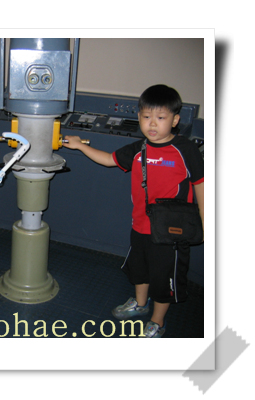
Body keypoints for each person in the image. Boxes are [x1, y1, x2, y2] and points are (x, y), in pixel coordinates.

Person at [63, 84, 204, 338]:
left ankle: (157, 321)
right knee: (140, 269)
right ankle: (140, 304)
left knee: (163, 279)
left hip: (171, 233)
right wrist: (79, 146)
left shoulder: (185, 150)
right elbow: (109, 159)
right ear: (139, 117)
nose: (153, 123)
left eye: (161, 118)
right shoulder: (139, 149)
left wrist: (206, 221)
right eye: (147, 116)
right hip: (140, 225)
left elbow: (201, 185)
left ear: (175, 120)